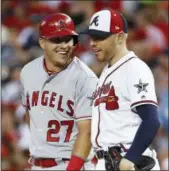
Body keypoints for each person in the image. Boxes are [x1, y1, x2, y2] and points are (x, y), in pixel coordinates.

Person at [81, 9, 161, 170]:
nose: (92, 43)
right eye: (92, 37)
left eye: (100, 37)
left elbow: (151, 120)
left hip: (128, 159)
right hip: (107, 160)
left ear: (120, 37)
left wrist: (130, 159)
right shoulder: (106, 72)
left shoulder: (134, 68)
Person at [20, 13, 98, 170]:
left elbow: (87, 132)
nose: (64, 45)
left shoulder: (85, 78)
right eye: (56, 40)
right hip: (37, 164)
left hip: (70, 163)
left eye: (68, 39)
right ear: (42, 42)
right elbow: (31, 114)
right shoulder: (28, 71)